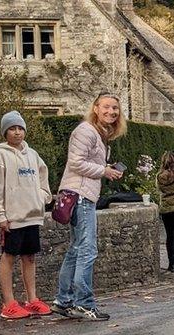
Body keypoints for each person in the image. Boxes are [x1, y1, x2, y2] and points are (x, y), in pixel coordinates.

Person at [53, 92, 126, 322]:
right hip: (81, 196)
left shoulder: (97, 133)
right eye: (106, 107)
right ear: (95, 108)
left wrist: (106, 167)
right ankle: (83, 304)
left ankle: (63, 301)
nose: (111, 112)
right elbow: (75, 163)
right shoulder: (85, 131)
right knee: (87, 250)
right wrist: (103, 170)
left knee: (76, 249)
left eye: (115, 108)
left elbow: (88, 163)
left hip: (81, 194)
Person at [0, 111, 53, 319]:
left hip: (32, 215)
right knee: (9, 257)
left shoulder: (32, 154)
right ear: (5, 132)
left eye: (20, 128)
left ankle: (32, 299)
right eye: (12, 129)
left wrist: (42, 196)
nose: (17, 133)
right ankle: (9, 303)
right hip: (12, 217)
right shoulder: (0, 155)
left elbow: (43, 175)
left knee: (30, 257)